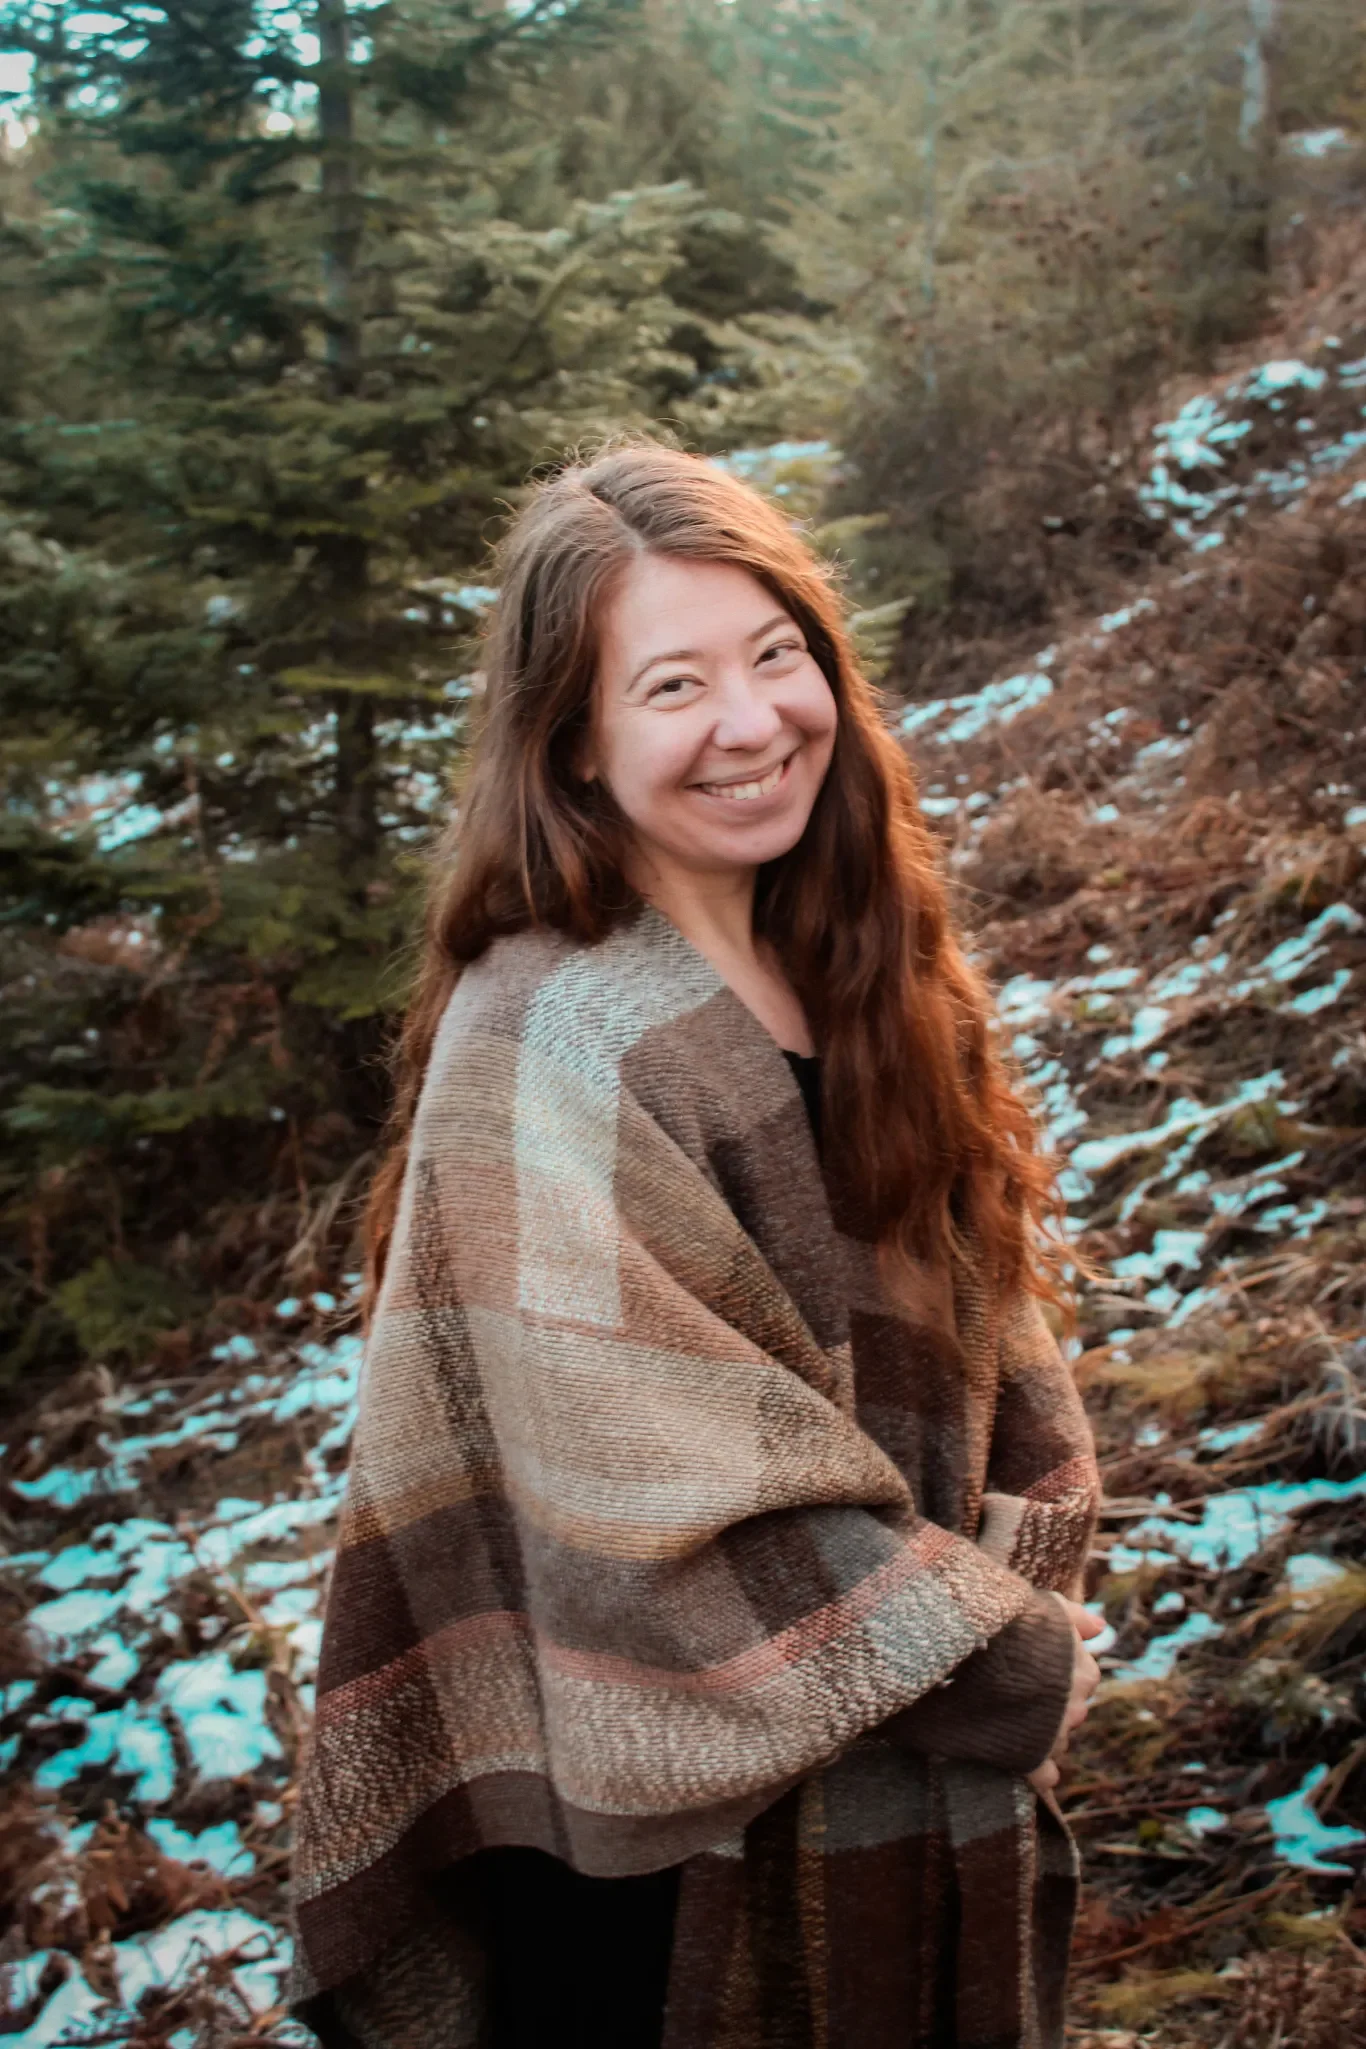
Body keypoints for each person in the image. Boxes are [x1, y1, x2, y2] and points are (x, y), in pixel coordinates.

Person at [288, 438, 1104, 2049]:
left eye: (775, 655)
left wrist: (1032, 1552)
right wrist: (1003, 1652)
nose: (751, 725)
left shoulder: (857, 967)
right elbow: (662, 1509)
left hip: (895, 1769)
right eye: (671, 686)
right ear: (573, 747)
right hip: (658, 1879)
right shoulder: (549, 1039)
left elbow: (990, 1333)